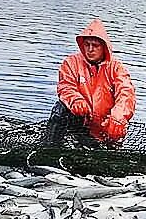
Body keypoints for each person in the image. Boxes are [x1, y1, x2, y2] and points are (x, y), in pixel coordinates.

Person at [44, 18, 135, 146]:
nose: (90, 49)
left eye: (95, 45)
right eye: (87, 45)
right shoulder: (71, 63)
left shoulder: (116, 68)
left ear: (104, 47)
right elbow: (66, 87)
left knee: (117, 125)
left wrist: (118, 116)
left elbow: (126, 94)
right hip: (80, 124)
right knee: (60, 108)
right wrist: (75, 100)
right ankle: (50, 149)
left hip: (106, 128)